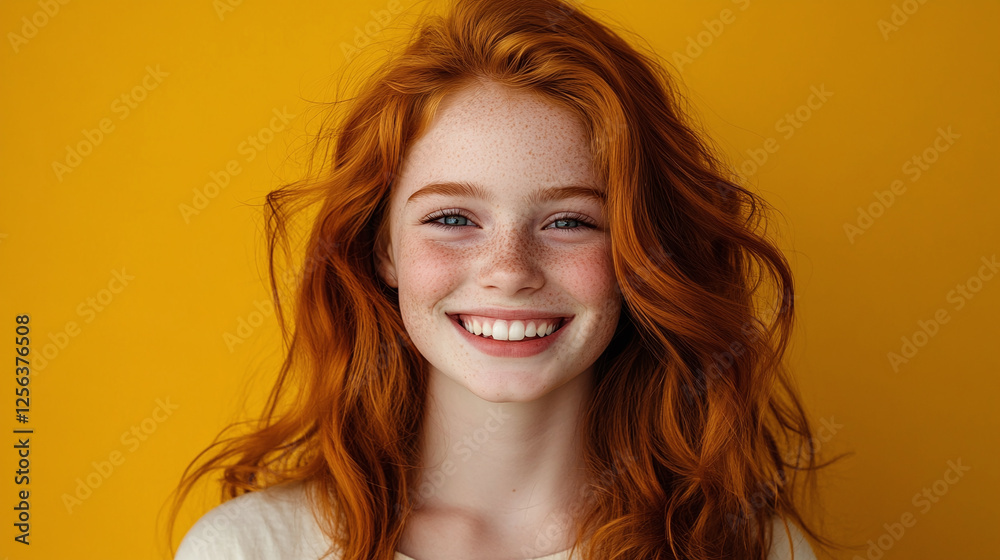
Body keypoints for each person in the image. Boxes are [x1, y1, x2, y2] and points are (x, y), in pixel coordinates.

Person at [167, 0, 838, 558]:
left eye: (571, 222)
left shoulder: (751, 548)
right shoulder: (249, 550)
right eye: (454, 217)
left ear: (642, 253)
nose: (510, 272)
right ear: (383, 249)